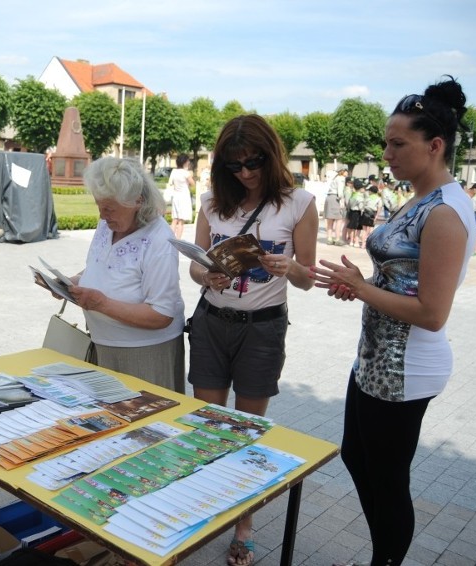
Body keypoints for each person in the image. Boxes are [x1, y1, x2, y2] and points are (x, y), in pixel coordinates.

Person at [311, 76, 475, 566]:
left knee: (386, 478)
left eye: (398, 143)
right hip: (377, 359)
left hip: (406, 367)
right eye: (386, 141)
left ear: (435, 145)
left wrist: (364, 289)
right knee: (357, 457)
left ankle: (385, 559)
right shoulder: (418, 198)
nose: (387, 152)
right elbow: (400, 279)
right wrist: (362, 282)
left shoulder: (445, 210)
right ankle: (385, 552)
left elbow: (431, 312)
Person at [185, 114, 318, 566]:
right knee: (209, 424)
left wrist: (288, 267)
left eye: (253, 162)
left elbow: (307, 278)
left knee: (247, 430)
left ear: (271, 156)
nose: (244, 173)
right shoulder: (212, 202)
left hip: (262, 328)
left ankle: (244, 521)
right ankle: (208, 506)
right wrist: (208, 275)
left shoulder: (299, 203)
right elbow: (195, 265)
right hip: (210, 322)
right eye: (234, 165)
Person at [66, 157, 186, 393]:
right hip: (103, 346)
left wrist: (101, 304)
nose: (102, 216)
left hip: (145, 353)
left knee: (144, 424)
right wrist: (69, 283)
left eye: (109, 209)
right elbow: (101, 267)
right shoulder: (109, 225)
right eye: (99, 207)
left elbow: (161, 314)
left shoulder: (159, 238)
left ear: (136, 202)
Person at [167, 154, 195, 238]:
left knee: (174, 219)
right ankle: (178, 239)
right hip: (184, 197)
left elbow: (171, 183)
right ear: (185, 162)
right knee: (181, 221)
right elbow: (193, 184)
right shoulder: (186, 173)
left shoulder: (174, 172)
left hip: (176, 196)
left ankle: (170, 238)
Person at [324, 169, 347, 245]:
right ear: (343, 172)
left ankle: (329, 238)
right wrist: (342, 202)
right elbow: (340, 192)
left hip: (329, 197)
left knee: (329, 220)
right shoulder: (341, 178)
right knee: (339, 219)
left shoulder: (335, 178)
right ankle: (337, 239)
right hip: (336, 198)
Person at [345, 179, 366, 247]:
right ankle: (356, 242)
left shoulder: (353, 195)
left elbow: (348, 204)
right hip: (358, 213)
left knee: (352, 227)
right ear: (360, 188)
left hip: (352, 212)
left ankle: (351, 241)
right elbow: (361, 206)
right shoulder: (360, 196)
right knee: (358, 228)